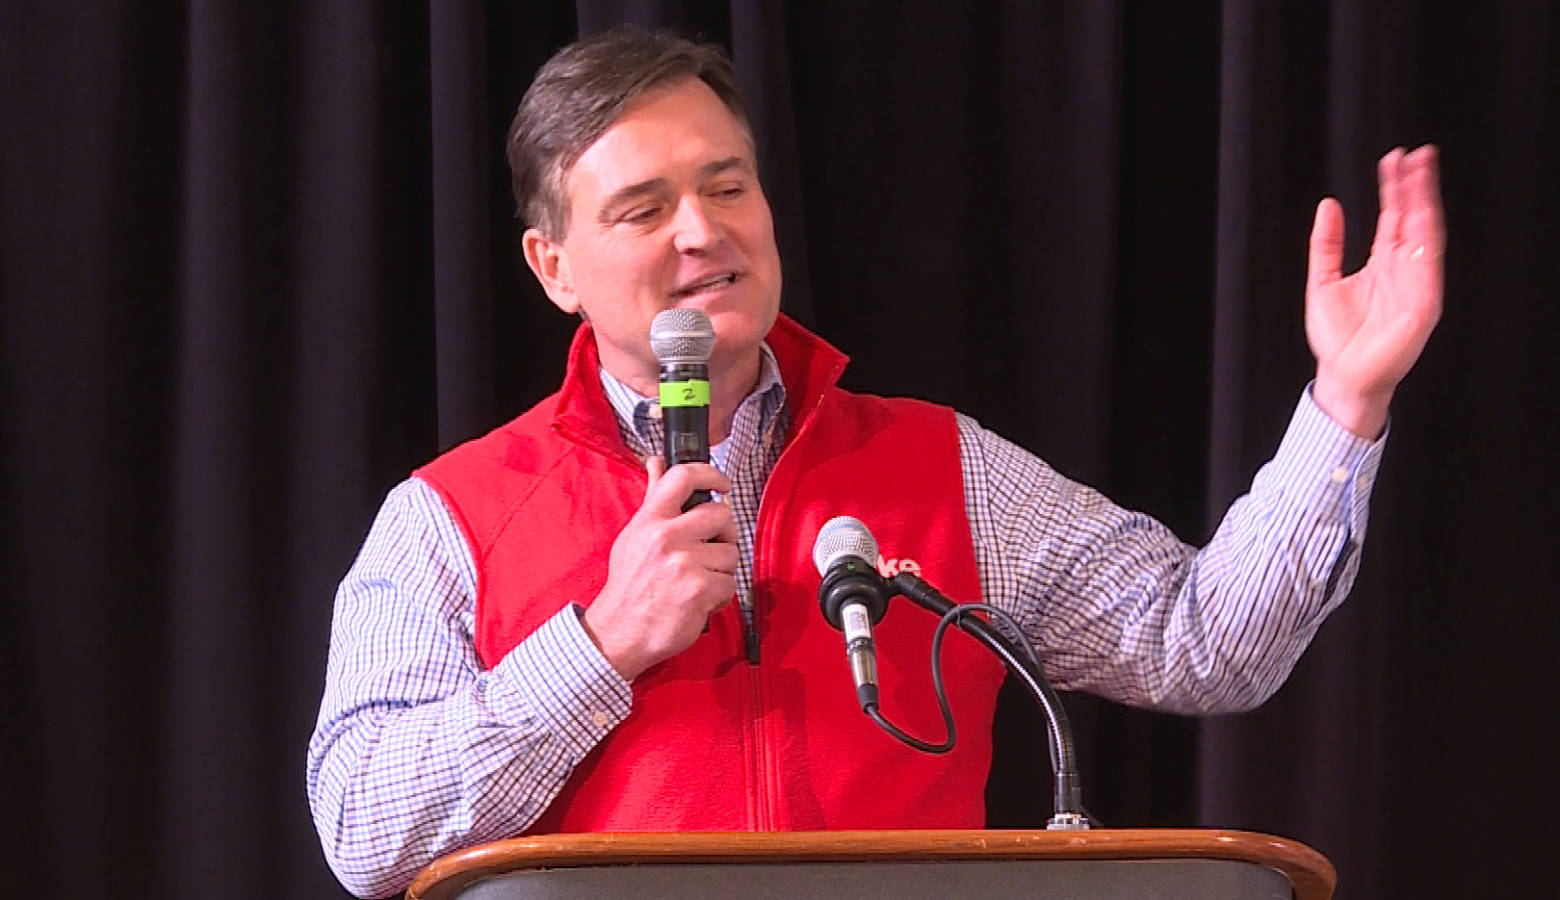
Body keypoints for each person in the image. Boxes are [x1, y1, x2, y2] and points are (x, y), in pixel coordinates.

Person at [305, 28, 1443, 899]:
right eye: (644, 208)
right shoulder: (452, 515)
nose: (702, 231)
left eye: (727, 185)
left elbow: (1206, 642)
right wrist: (601, 645)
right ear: (554, 265)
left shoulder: (937, 463)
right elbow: (365, 826)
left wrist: (1347, 400)